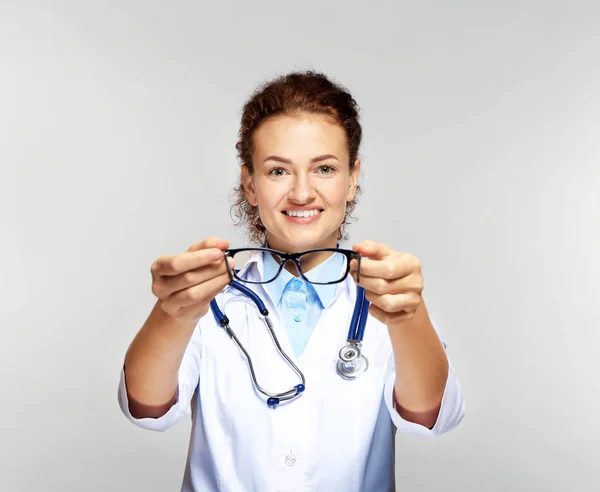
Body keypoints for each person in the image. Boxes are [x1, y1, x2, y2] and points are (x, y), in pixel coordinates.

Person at [117, 70, 465, 492]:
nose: (302, 192)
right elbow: (145, 408)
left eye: (324, 168)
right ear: (250, 183)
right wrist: (170, 312)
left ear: (352, 178)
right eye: (278, 171)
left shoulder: (388, 297)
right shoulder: (209, 299)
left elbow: (429, 417)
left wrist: (409, 315)